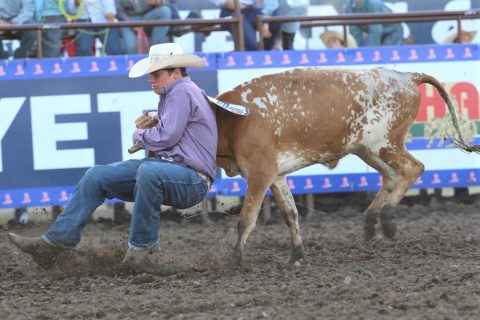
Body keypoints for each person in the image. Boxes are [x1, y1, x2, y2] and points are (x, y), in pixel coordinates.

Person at [7, 42, 218, 274]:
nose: (151, 79)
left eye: (156, 73)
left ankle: (141, 251)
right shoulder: (175, 93)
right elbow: (171, 134)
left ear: (175, 71)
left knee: (147, 172)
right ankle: (55, 242)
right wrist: (155, 125)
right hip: (175, 172)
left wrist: (140, 134)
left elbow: (167, 137)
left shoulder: (181, 91)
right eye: (151, 74)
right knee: (97, 176)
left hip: (193, 178)